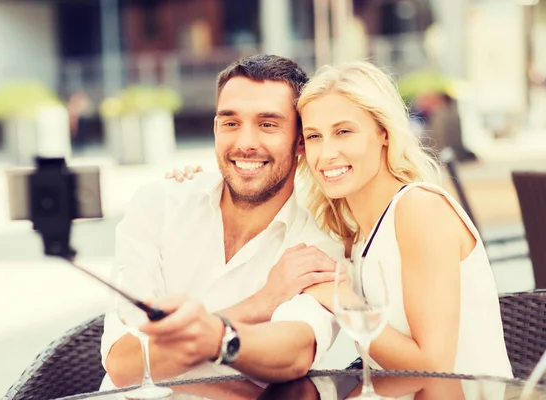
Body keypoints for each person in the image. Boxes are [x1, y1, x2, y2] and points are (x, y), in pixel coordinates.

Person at [169, 60, 513, 377]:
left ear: (384, 133)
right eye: (314, 137)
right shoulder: (353, 228)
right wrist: (203, 181)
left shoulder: (419, 209)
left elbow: (433, 369)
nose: (327, 153)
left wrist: (339, 298)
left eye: (344, 132)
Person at [100, 54, 346, 389]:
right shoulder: (158, 205)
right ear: (216, 128)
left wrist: (181, 343)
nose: (245, 143)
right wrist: (262, 303)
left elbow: (294, 354)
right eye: (231, 123)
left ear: (300, 140)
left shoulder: (318, 245)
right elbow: (124, 366)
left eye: (268, 124)